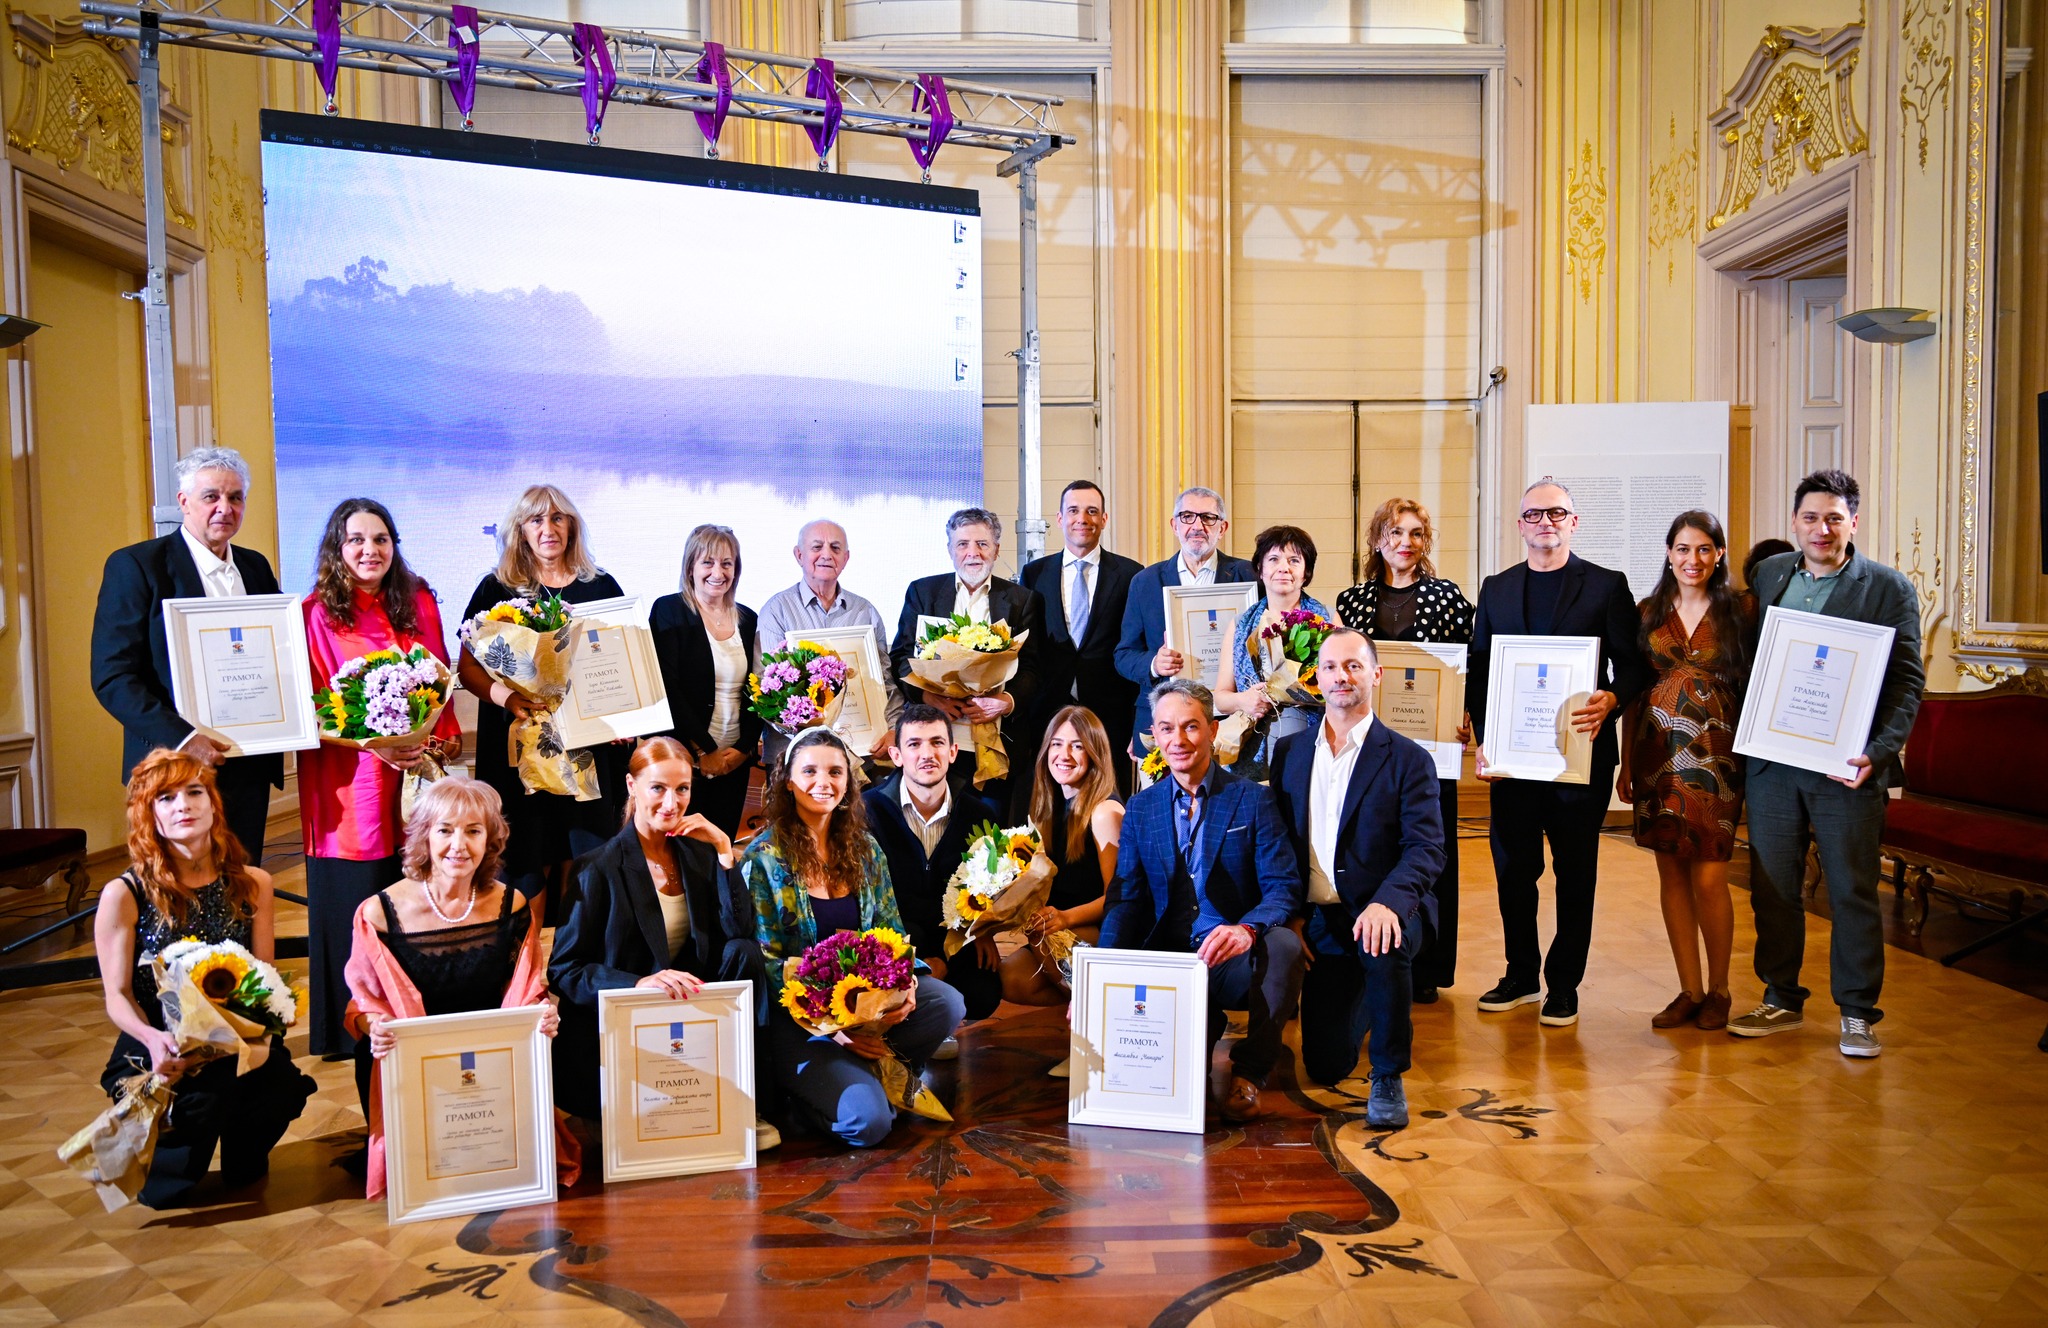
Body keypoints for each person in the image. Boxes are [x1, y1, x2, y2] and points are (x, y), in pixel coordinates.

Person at [1732, 470, 1925, 1057]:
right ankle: (1780, 997)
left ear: (1854, 523)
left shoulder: (1888, 588)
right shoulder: (1770, 574)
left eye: (1834, 518)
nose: (1822, 528)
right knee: (1773, 888)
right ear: (1795, 522)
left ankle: (1858, 1012)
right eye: (1811, 517)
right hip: (1773, 764)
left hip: (1847, 767)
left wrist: (1879, 752)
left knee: (1851, 890)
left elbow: (1907, 681)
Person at [92, 750, 315, 1208]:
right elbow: (117, 994)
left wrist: (262, 1030)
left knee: (283, 1086)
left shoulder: (253, 882)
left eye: (194, 792)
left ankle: (244, 1149)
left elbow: (265, 978)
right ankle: (171, 1161)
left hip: (235, 1037)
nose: (183, 806)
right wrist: (153, 1040)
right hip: (160, 1041)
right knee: (166, 1194)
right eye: (166, 798)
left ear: (213, 804)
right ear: (149, 815)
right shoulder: (125, 893)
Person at [1468, 479, 1651, 1027]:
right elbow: (1481, 671)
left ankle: (1564, 985)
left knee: (1575, 873)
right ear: (1519, 525)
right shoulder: (1496, 589)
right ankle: (1521, 974)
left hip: (1581, 755)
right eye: (1534, 514)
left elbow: (1634, 666)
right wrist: (1487, 739)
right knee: (1513, 870)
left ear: (1574, 522)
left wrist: (1612, 700)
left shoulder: (1607, 586)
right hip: (1514, 760)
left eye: (1556, 513)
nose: (1545, 522)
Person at [343, 776, 570, 1199]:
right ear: (424, 836)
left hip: (490, 1054)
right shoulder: (379, 912)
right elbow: (363, 1002)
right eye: (445, 830)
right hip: (415, 1057)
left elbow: (525, 988)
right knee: (369, 1055)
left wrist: (542, 1011)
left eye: (473, 831)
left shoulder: (511, 904)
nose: (458, 846)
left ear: (490, 840)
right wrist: (375, 1025)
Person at [295, 498, 464, 1061]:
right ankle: (356, 1029)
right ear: (336, 548)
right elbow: (312, 704)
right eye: (357, 540)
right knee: (361, 893)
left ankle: (419, 1015)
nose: (370, 550)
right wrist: (378, 746)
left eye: (381, 539)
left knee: (416, 888)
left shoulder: (418, 600)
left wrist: (441, 734)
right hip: (348, 780)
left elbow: (439, 675)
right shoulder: (314, 613)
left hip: (417, 771)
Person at [548, 737, 778, 1149]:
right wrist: (638, 984)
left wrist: (724, 850)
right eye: (658, 788)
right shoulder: (596, 867)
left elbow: (740, 933)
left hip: (688, 1012)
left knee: (743, 952)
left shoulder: (700, 855)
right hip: (626, 1026)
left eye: (682, 789)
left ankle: (747, 1097)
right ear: (632, 786)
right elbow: (565, 970)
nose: (672, 803)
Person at [741, 727, 966, 1147]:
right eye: (809, 771)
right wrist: (837, 1030)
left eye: (835, 772)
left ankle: (878, 1074)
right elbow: (768, 963)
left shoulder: (865, 849)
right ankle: (807, 1102)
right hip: (801, 1022)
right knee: (869, 1125)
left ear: (848, 782)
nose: (823, 782)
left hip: (866, 1010)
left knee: (946, 1002)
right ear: (788, 781)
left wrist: (907, 983)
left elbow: (892, 931)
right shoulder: (764, 859)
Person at [1099, 679, 1305, 1123]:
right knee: (1171, 1088)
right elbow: (1124, 899)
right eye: (1166, 728)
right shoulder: (1141, 808)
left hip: (1228, 958)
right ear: (1154, 735)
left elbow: (1283, 885)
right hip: (1167, 962)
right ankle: (1200, 1032)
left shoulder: (1253, 799)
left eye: (1190, 726)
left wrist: (1246, 929)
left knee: (1284, 946)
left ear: (1212, 730)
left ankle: (1249, 1072)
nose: (1178, 740)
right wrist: (1101, 974)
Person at [1269, 629, 1444, 1128]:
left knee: (1383, 942)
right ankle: (1369, 994)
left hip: (1387, 909)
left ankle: (1388, 1073)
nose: (1341, 676)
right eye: (1330, 667)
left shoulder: (1408, 758)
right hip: (1323, 916)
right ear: (1316, 678)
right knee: (1325, 1065)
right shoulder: (1291, 753)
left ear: (1376, 674)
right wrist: (1291, 916)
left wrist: (1389, 902)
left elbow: (1426, 848)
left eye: (1353, 665)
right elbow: (1278, 845)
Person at [91, 448, 285, 864]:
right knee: (176, 887)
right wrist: (185, 739)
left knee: (241, 879)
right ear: (183, 502)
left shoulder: (255, 567)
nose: (224, 508)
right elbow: (113, 677)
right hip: (172, 763)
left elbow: (277, 654)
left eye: (235, 497)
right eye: (211, 496)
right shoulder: (137, 566)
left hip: (247, 761)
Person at [1333, 496, 1476, 1005]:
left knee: (1432, 852)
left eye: (1416, 533)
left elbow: (1470, 665)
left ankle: (1427, 965)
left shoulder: (1448, 598)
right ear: (1377, 540)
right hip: (1369, 752)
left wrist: (1466, 716)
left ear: (1426, 541)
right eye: (1394, 532)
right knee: (1372, 847)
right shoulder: (1351, 602)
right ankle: (1369, 951)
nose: (1405, 542)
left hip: (1431, 753)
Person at [457, 484, 627, 909]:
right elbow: (468, 667)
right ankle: (528, 948)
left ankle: (576, 944)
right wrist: (508, 699)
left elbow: (622, 663)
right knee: (526, 853)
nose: (548, 529)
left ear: (572, 527)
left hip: (585, 746)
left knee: (586, 853)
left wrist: (624, 718)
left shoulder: (601, 586)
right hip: (519, 746)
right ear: (521, 530)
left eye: (557, 518)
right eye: (536, 520)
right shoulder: (496, 589)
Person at [1617, 511, 1752, 1032]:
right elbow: (1633, 689)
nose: (1692, 559)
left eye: (1703, 549)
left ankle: (1720, 990)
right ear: (1668, 554)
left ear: (1719, 553)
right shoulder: (1648, 610)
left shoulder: (1741, 609)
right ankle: (1689, 990)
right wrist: (1627, 761)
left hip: (1719, 757)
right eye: (1682, 549)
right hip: (1657, 754)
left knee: (1711, 875)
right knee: (1670, 871)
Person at [888, 507, 1046, 816]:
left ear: (996, 549)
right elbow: (901, 658)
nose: (973, 553)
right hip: (934, 740)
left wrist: (1005, 702)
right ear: (950, 549)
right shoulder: (923, 592)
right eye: (962, 544)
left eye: (982, 544)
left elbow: (1033, 669)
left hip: (996, 743)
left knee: (990, 830)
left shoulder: (1022, 599)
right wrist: (928, 697)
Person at [862, 705, 1002, 1044]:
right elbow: (870, 903)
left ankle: (940, 1017)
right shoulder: (866, 811)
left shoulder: (979, 815)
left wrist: (983, 927)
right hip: (893, 933)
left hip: (950, 933)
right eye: (914, 744)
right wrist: (923, 959)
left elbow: (985, 884)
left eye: (937, 743)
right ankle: (906, 1024)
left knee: (984, 990)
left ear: (953, 752)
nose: (927, 754)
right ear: (896, 755)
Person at [1005, 705, 1124, 1047]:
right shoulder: (1047, 805)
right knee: (1012, 976)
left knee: (1047, 936)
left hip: (1104, 931)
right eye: (1057, 744)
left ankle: (1095, 1036)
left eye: (1077, 746)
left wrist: (1064, 918)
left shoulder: (1104, 811)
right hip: (1061, 925)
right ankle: (1090, 1014)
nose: (1064, 755)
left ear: (1095, 753)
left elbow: (1118, 899)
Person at [1114, 486, 1258, 760]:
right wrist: (1154, 664)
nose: (1197, 526)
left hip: (1233, 722)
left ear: (1223, 527)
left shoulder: (1248, 576)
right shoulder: (1145, 582)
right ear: (1174, 525)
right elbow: (1123, 655)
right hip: (1162, 723)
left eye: (1208, 518)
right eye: (1187, 516)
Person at [1018, 481, 1143, 789]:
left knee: (1111, 796)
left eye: (1091, 511)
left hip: (1112, 712)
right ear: (1060, 518)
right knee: (1048, 797)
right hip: (1048, 710)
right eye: (1073, 511)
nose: (1082, 519)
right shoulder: (1034, 574)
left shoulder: (1131, 574)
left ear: (1104, 519)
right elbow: (1028, 646)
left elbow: (1135, 643)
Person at [755, 518, 901, 773]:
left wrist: (894, 727)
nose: (826, 555)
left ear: (846, 558)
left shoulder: (866, 612)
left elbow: (884, 681)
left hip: (858, 754)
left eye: (835, 548)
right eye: (816, 547)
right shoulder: (777, 611)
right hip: (791, 758)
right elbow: (767, 688)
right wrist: (809, 735)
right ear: (799, 555)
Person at [650, 525, 761, 839]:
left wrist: (743, 749)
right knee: (679, 847)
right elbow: (667, 687)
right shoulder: (669, 610)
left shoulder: (749, 619)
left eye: (727, 564)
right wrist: (704, 750)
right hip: (685, 756)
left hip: (735, 761)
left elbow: (759, 690)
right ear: (691, 568)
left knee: (721, 845)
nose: (718, 572)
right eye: (708, 563)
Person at [1212, 524, 1332, 780]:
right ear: (1261, 569)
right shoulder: (1240, 625)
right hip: (1250, 745)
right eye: (1274, 559)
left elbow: (1343, 687)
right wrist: (1244, 700)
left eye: (1294, 560)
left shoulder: (1328, 621)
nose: (1284, 568)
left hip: (1313, 742)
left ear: (1306, 572)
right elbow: (1220, 697)